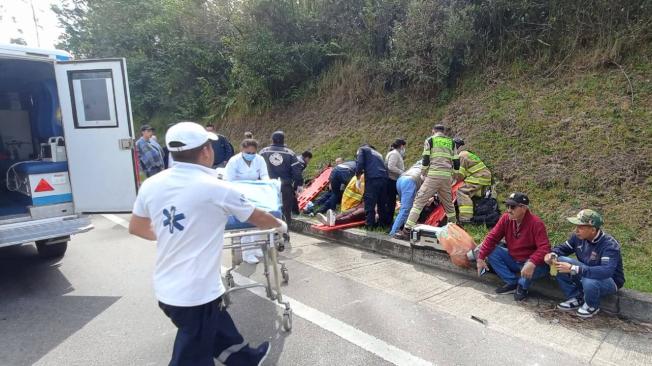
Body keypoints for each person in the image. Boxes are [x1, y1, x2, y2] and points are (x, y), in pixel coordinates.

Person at [128, 121, 284, 366]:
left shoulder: (151, 185)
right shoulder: (217, 188)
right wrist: (280, 225)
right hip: (195, 293)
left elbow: (136, 226)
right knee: (191, 355)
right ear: (205, 151)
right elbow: (259, 218)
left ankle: (243, 359)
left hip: (166, 286)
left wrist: (174, 235)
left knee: (216, 324)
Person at [545, 209, 625, 318]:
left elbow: (606, 271)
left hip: (610, 280)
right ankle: (576, 297)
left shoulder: (609, 245)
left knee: (589, 278)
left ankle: (592, 305)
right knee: (558, 261)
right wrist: (552, 255)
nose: (576, 230)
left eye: (581, 227)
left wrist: (574, 268)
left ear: (592, 230)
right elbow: (563, 249)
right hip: (587, 271)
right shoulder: (578, 237)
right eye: (576, 226)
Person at [475, 192, 551, 301]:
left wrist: (532, 262)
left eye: (513, 207)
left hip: (531, 263)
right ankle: (512, 282)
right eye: (507, 206)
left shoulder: (536, 223)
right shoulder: (506, 218)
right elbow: (492, 237)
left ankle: (522, 285)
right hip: (514, 259)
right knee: (492, 251)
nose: (509, 210)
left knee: (538, 268)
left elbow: (545, 248)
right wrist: (480, 258)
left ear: (523, 208)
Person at [394, 124, 457, 240]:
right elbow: (456, 161)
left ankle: (407, 231)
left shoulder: (430, 140)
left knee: (418, 203)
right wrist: (454, 175)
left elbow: (426, 158)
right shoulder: (451, 142)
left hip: (433, 176)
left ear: (433, 131)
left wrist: (423, 172)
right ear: (443, 132)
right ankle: (455, 230)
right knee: (449, 205)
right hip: (447, 178)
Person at [223, 139, 270, 264]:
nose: (250, 155)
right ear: (242, 150)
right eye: (248, 152)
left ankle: (255, 247)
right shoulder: (234, 161)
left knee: (258, 221)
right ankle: (247, 253)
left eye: (253, 152)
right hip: (239, 195)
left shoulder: (259, 159)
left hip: (255, 193)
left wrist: (267, 184)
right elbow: (228, 180)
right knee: (247, 223)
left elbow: (264, 175)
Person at [260, 131, 303, 231]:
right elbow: (297, 172)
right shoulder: (290, 153)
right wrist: (298, 185)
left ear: (272, 139)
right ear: (284, 140)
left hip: (267, 186)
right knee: (286, 210)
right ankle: (285, 232)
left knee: (268, 209)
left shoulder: (263, 152)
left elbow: (257, 168)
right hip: (285, 187)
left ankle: (269, 232)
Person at [453, 138, 493, 224]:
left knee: (462, 192)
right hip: (482, 177)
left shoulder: (462, 156)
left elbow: (460, 175)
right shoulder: (466, 153)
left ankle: (465, 219)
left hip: (478, 177)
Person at [355, 144, 390, 228]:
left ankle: (369, 226)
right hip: (384, 179)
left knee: (370, 203)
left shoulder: (362, 149)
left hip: (373, 178)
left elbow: (360, 164)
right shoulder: (379, 154)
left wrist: (358, 178)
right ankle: (382, 226)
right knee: (382, 203)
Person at [389, 161, 424, 236]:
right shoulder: (433, 165)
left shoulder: (420, 162)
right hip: (410, 182)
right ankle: (393, 233)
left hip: (401, 179)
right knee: (405, 210)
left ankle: (404, 228)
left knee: (405, 208)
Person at [385, 139, 407, 226]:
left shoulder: (395, 153)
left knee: (391, 202)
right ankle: (388, 222)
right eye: (404, 146)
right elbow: (391, 167)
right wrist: (402, 172)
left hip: (393, 180)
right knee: (390, 202)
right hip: (391, 180)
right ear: (401, 146)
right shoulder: (394, 154)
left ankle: (389, 221)